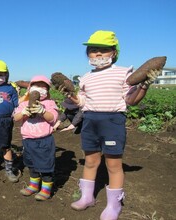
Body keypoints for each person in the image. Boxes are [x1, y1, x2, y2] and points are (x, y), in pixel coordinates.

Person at [61, 30, 154, 219]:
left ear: (114, 53)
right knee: (90, 161)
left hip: (112, 122)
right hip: (90, 121)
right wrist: (70, 95)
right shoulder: (86, 77)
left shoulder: (124, 73)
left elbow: (131, 100)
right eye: (93, 50)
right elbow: (82, 102)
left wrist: (144, 85)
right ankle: (87, 196)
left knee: (113, 165)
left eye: (103, 50)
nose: (97, 54)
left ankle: (114, 204)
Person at [13, 75, 58, 201]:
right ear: (29, 88)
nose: (40, 89)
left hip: (44, 140)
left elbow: (53, 118)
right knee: (31, 164)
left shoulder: (49, 103)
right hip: (28, 140)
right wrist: (22, 113)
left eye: (44, 87)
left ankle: (46, 189)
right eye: (36, 86)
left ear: (48, 91)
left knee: (45, 166)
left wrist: (42, 111)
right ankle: (33, 186)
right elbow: (16, 118)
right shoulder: (24, 104)